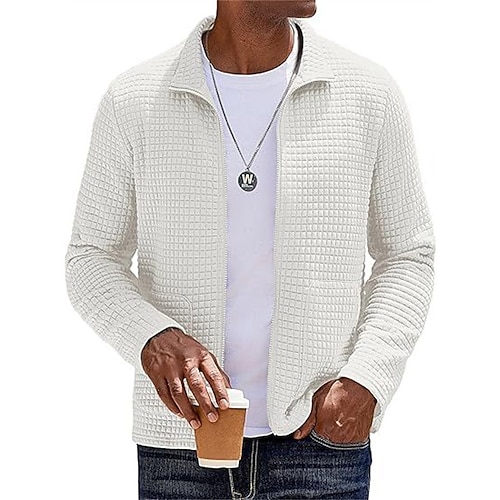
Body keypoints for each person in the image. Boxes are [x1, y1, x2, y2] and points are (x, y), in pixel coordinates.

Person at [64, 1, 436, 498]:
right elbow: (90, 256)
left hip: (319, 447)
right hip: (180, 447)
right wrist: (152, 337)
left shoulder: (368, 93)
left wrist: (368, 378)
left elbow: (407, 254)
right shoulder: (135, 100)